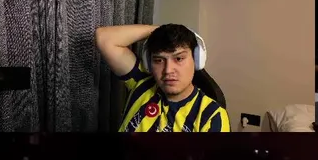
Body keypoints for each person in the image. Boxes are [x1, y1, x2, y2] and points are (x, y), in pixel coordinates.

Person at [94, 23, 230, 133]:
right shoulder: (141, 82)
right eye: (159, 60)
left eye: (179, 58)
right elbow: (103, 38)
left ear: (196, 60)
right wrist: (161, 30)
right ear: (149, 64)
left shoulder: (212, 116)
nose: (168, 70)